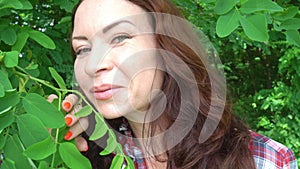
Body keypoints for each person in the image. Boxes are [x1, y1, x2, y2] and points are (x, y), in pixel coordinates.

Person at [59, 0, 298, 168]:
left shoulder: (264, 160)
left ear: (166, 47)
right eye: (83, 49)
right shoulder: (82, 156)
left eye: (120, 38)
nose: (93, 65)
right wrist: (50, 138)